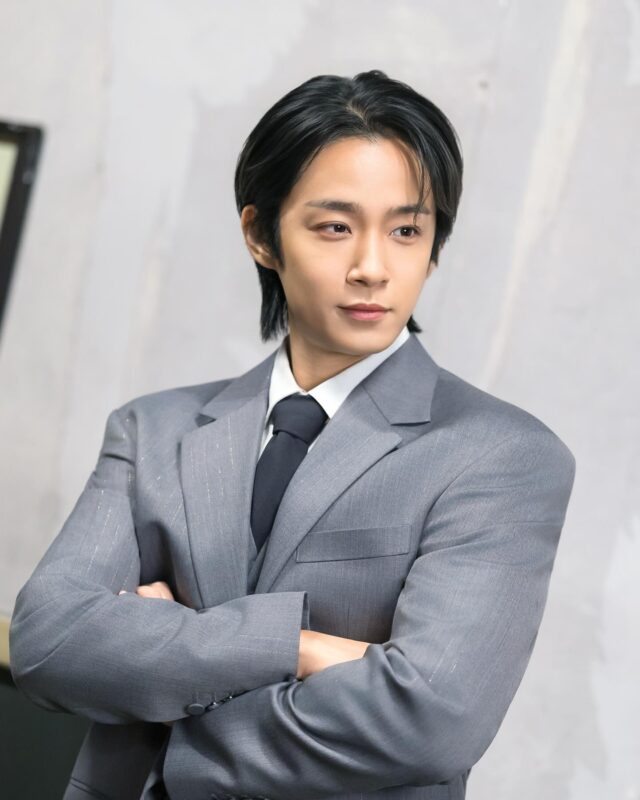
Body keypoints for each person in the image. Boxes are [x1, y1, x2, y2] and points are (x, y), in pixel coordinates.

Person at [9, 69, 576, 800]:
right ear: (261, 235)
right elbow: (49, 642)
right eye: (335, 227)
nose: (373, 267)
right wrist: (298, 646)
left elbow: (430, 719)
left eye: (407, 230)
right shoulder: (153, 430)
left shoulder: (502, 456)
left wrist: (166, 700)